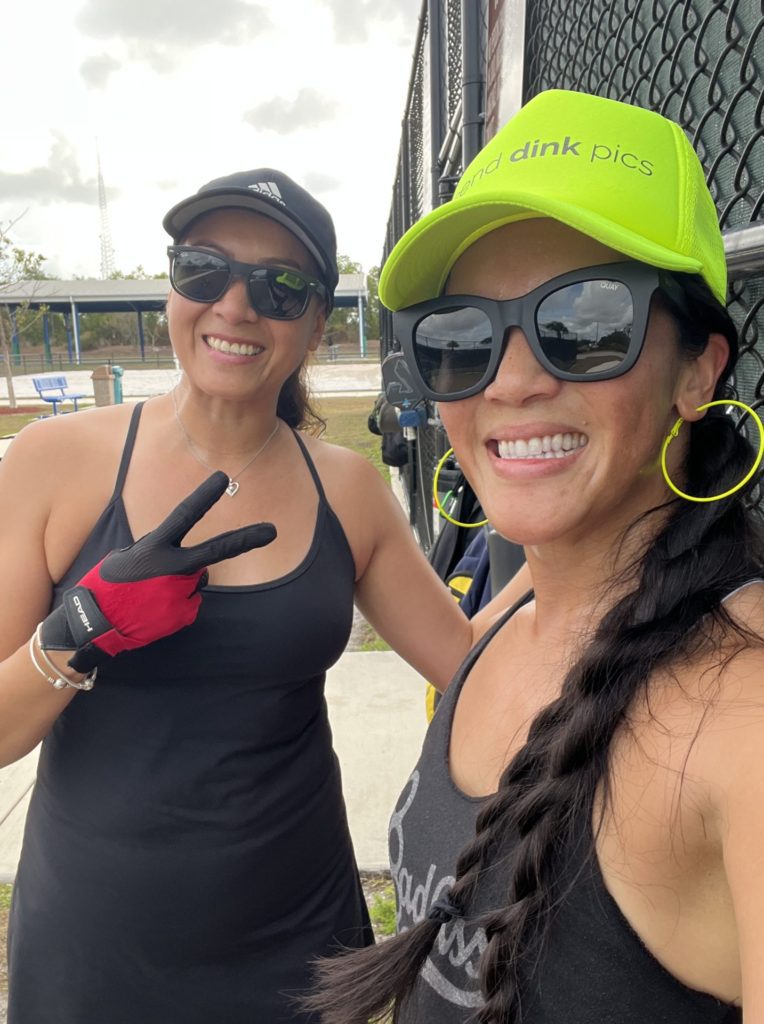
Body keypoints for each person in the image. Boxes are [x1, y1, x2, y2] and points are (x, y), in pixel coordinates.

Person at [306, 90, 764, 1022]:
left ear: (698, 370)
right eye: (459, 338)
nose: (510, 381)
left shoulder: (740, 715)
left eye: (585, 323)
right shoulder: (518, 604)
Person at [0, 168, 479, 1023]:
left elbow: (474, 669)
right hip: (95, 943)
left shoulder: (347, 492)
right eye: (203, 269)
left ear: (317, 327)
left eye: (279, 286)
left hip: (296, 946)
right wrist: (79, 631)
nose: (234, 304)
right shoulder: (53, 462)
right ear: (172, 289)